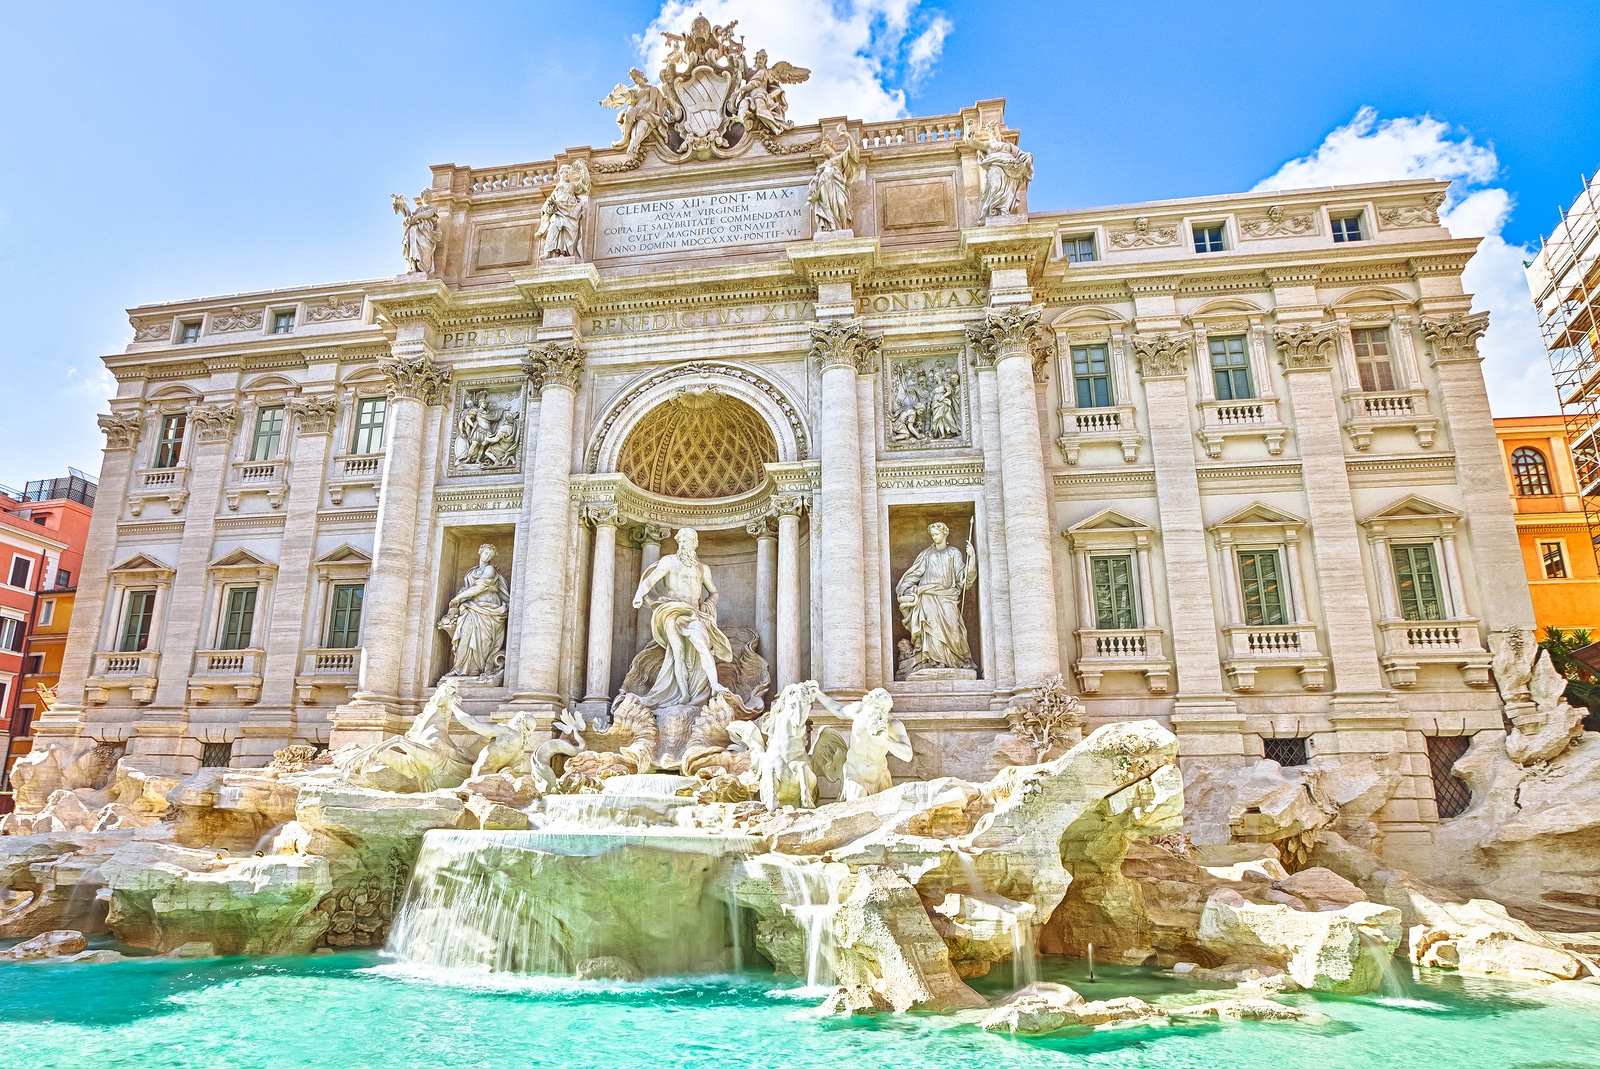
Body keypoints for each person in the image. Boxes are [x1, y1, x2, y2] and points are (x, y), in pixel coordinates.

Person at [630, 528, 732, 708]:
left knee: (702, 644)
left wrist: (708, 604)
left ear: (695, 544)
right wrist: (639, 594)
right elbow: (650, 580)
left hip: (694, 613)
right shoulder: (669, 561)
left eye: (688, 541)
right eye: (681, 541)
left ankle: (714, 684)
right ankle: (683, 694)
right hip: (671, 609)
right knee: (678, 653)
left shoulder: (702, 569)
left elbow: (714, 592)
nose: (684, 544)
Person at [895, 522, 977, 674]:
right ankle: (933, 660)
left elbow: (963, 578)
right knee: (931, 626)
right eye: (932, 535)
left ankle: (952, 660)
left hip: (947, 596)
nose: (934, 537)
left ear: (945, 534)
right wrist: (903, 589)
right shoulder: (927, 554)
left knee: (953, 627)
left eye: (937, 534)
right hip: (927, 596)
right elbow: (915, 574)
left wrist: (971, 559)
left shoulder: (954, 553)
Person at [439, 544, 509, 679]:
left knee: (483, 639)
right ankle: (460, 667)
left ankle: (476, 669)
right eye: (485, 553)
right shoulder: (471, 572)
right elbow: (468, 588)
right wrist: (461, 597)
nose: (487, 556)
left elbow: (480, 587)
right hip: (471, 607)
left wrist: (458, 597)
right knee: (465, 634)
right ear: (480, 552)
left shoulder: (490, 569)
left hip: (488, 609)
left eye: (490, 555)